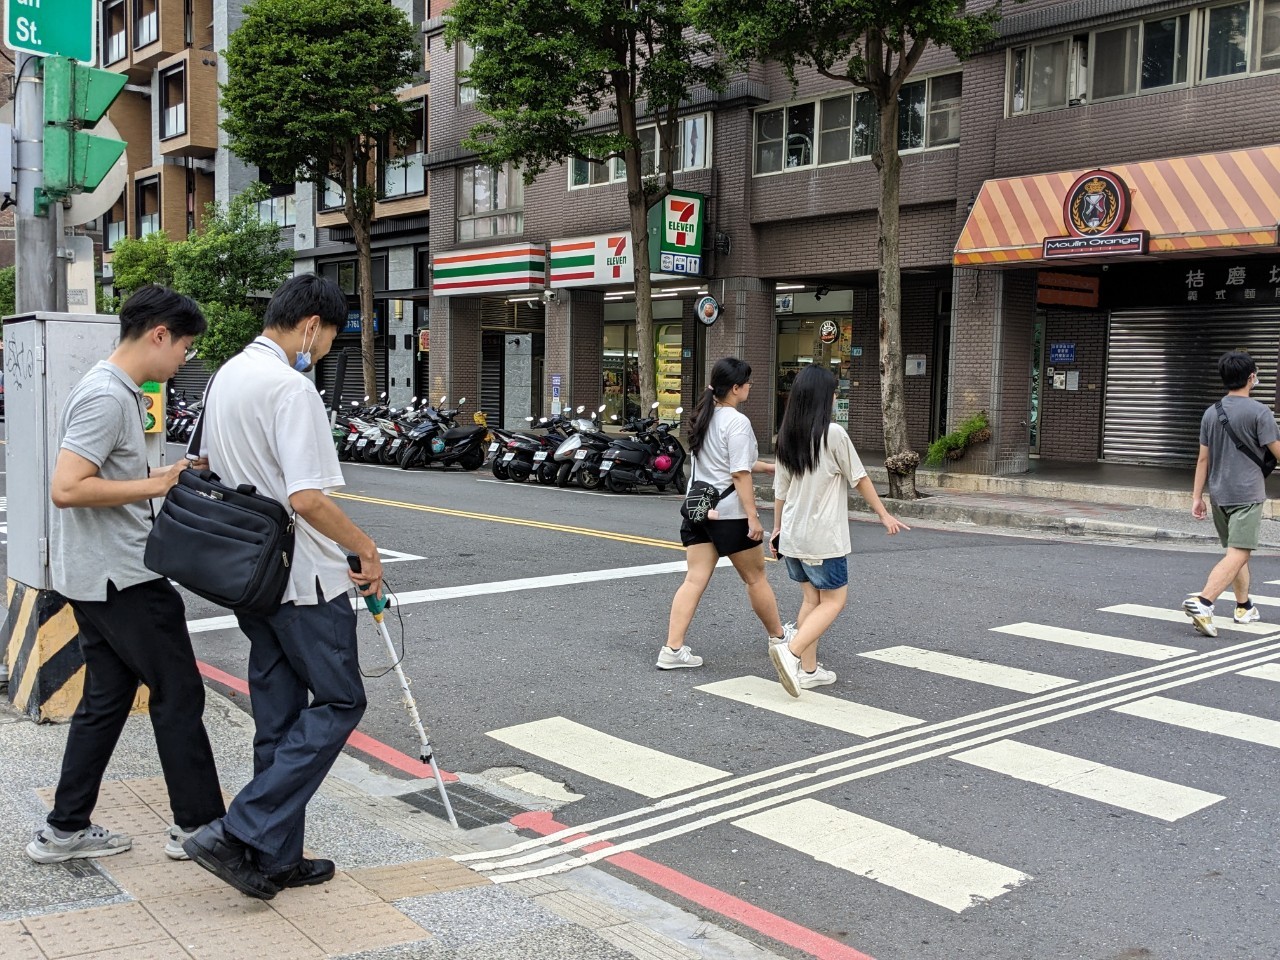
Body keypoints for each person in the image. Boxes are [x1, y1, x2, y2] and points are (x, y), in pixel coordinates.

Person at [182, 274, 383, 900]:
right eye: (323, 345)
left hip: (253, 578)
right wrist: (365, 548)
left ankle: (275, 858)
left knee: (278, 717)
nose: (318, 355)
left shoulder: (227, 377)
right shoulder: (291, 388)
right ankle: (241, 829)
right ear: (311, 326)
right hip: (303, 581)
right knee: (341, 702)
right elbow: (306, 498)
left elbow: (205, 464)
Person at [28, 286, 225, 864]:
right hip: (123, 578)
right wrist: (155, 484)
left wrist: (167, 472)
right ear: (159, 333)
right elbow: (68, 488)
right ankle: (200, 826)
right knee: (180, 692)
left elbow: (101, 475)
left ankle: (64, 829)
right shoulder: (107, 396)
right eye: (185, 346)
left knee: (106, 699)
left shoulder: (114, 389)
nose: (184, 359)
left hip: (98, 575)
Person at [766, 365, 908, 697]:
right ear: (822, 398)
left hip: (793, 536)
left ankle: (810, 670)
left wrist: (776, 531)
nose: (835, 396)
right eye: (833, 391)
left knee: (811, 600)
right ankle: (792, 651)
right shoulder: (833, 434)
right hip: (822, 538)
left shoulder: (786, 436)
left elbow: (780, 493)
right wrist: (884, 514)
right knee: (834, 600)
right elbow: (860, 479)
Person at [660, 357, 788, 669]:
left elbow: (725, 464)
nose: (750, 387)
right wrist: (754, 517)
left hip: (700, 511)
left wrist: (769, 468)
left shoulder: (704, 416)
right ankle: (779, 638)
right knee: (756, 578)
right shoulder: (737, 422)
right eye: (747, 383)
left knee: (694, 580)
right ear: (734, 388)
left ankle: (672, 650)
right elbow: (739, 474)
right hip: (730, 514)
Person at [1183, 350, 1280, 638]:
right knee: (1240, 551)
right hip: (1247, 494)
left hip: (1219, 494)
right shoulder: (1260, 412)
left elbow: (1203, 459)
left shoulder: (1212, 412)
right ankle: (1204, 601)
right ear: (1251, 378)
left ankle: (1244, 606)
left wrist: (1196, 496)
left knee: (1235, 552)